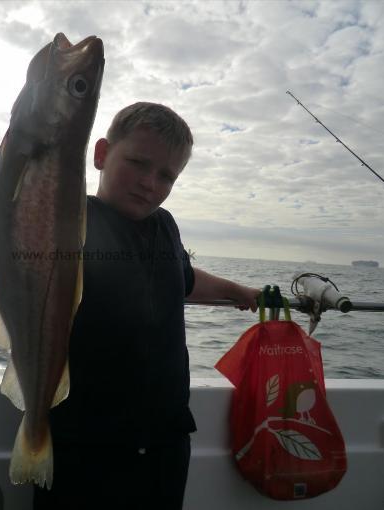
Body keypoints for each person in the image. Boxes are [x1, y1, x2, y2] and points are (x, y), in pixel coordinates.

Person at [34, 102, 260, 510]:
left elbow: (183, 281)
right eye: (138, 163)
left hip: (164, 438)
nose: (149, 183)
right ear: (101, 154)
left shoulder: (165, 225)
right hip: (84, 439)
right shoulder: (69, 222)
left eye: (166, 175)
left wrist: (239, 291)